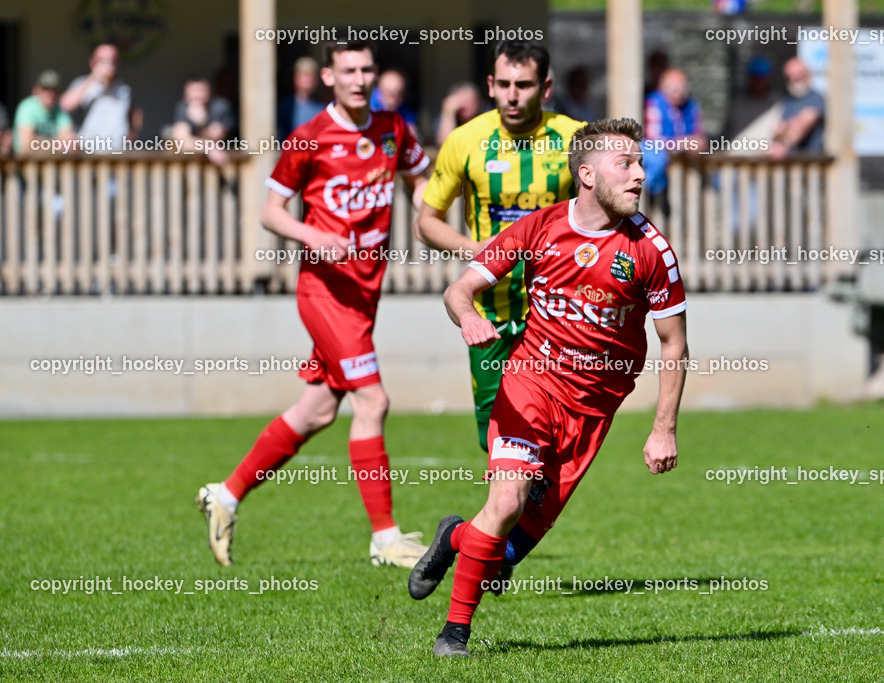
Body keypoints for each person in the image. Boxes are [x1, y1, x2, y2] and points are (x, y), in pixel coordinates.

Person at [409, 118, 688, 657]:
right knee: (507, 499)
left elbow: (673, 345)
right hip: (530, 382)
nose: (638, 175)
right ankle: (454, 635)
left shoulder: (653, 251)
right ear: (586, 174)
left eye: (639, 164)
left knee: (505, 552)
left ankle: (453, 537)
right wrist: (466, 317)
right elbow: (459, 289)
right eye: (624, 164)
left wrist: (663, 431)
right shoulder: (538, 229)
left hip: (593, 410)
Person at [196, 40, 432, 569]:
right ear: (328, 76)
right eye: (347, 70)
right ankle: (385, 537)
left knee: (318, 409)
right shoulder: (308, 138)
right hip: (323, 291)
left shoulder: (392, 128)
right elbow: (270, 211)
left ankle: (226, 495)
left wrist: (433, 206)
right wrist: (311, 234)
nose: (358, 78)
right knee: (373, 402)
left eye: (366, 69)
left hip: (365, 291)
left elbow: (419, 181)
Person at [415, 40, 584, 454]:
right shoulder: (465, 140)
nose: (512, 94)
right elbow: (426, 224)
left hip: (556, 312)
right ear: (490, 84)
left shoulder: (574, 138)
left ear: (545, 88)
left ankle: (518, 515)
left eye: (523, 85)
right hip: (489, 314)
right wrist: (475, 248)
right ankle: (507, 515)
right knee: (495, 439)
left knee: (555, 433)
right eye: (504, 83)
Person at [642, 68, 707, 208]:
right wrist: (680, 144)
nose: (679, 93)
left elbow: (699, 135)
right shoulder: (653, 103)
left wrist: (698, 144)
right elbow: (652, 140)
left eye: (682, 89)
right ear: (663, 88)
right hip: (659, 177)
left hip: (686, 176)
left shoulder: (691, 105)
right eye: (674, 89)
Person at [61, 44, 141, 150]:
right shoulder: (83, 84)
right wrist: (94, 77)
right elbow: (65, 105)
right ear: (93, 62)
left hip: (118, 152)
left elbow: (135, 112)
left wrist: (133, 133)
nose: (109, 65)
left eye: (112, 61)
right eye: (103, 61)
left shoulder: (124, 89)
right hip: (88, 151)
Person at [769, 57, 824, 160]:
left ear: (808, 74)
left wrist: (782, 144)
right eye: (791, 76)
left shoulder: (816, 99)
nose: (796, 78)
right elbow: (777, 130)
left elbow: (801, 127)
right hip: (788, 164)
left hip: (811, 163)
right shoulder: (785, 101)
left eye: (800, 74)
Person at [171, 76, 235, 165]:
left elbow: (217, 135)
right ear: (186, 94)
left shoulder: (220, 106)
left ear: (209, 91)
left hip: (225, 161)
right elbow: (181, 140)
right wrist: (209, 147)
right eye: (194, 91)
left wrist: (201, 122)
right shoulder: (182, 108)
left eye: (201, 90)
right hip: (192, 163)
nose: (198, 95)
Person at [13, 70, 75, 154]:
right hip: (26, 161)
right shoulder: (27, 107)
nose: (49, 93)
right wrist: (58, 143)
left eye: (53, 89)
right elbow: (27, 143)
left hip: (55, 160)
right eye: (45, 89)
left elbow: (70, 144)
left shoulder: (61, 111)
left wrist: (39, 142)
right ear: (36, 90)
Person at [277, 57, 325, 141]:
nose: (308, 80)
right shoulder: (285, 107)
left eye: (311, 76)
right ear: (296, 78)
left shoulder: (321, 108)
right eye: (304, 75)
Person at [371, 69, 420, 141]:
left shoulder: (406, 111)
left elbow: (413, 139)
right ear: (379, 89)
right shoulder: (365, 105)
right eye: (389, 93)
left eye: (399, 94)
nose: (394, 99)